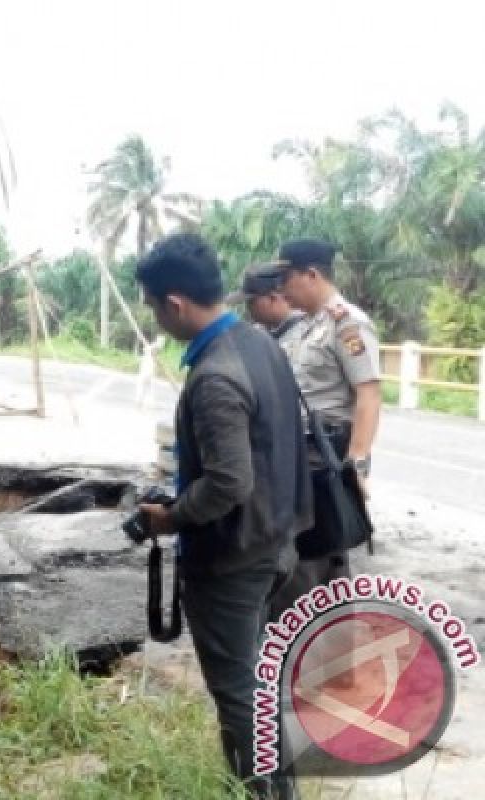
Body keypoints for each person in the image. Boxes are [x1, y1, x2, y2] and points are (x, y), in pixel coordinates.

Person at [135, 234, 310, 799]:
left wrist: (168, 518)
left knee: (239, 694)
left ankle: (267, 794)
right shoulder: (261, 344)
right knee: (257, 687)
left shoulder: (215, 375)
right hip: (276, 543)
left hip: (234, 560)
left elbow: (230, 482)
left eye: (153, 307)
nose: (157, 319)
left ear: (174, 304)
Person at [269, 239, 381, 620]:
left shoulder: (346, 323)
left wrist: (357, 465)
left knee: (318, 554)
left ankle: (317, 657)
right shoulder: (303, 327)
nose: (281, 289)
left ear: (311, 274)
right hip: (301, 454)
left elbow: (368, 394)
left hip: (326, 454)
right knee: (313, 559)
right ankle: (321, 656)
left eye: (287, 279)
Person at [227, 263, 305, 344]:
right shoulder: (261, 331)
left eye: (252, 301)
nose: (249, 307)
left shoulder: (303, 334)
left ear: (273, 298)